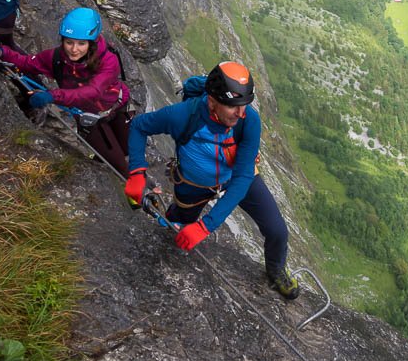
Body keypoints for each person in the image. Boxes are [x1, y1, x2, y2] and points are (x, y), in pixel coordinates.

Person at [123, 62, 300, 299]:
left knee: (278, 230)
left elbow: (244, 176)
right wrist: (136, 172)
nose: (240, 113)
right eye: (233, 106)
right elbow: (138, 127)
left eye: (245, 104)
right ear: (212, 100)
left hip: (235, 177)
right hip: (194, 184)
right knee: (172, 233)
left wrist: (206, 226)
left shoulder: (249, 120)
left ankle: (276, 271)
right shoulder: (184, 115)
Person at [0, 8, 132, 175]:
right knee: (122, 169)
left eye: (81, 43)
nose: (74, 49)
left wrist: (52, 96)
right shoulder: (57, 58)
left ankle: (106, 157)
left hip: (118, 107)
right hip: (91, 120)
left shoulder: (109, 60)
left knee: (130, 151)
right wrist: (2, 52)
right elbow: (27, 62)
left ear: (92, 42)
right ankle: (136, 198)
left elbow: (93, 91)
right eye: (69, 42)